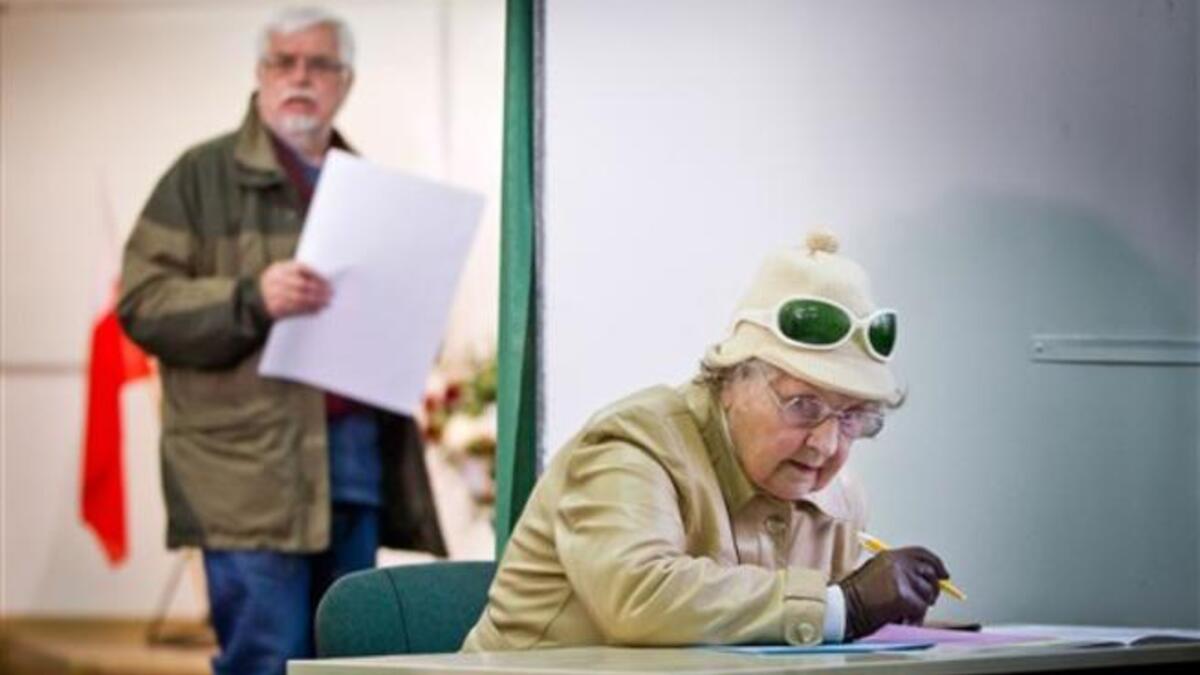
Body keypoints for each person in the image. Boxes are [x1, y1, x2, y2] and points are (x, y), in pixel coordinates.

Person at [118, 6, 445, 673]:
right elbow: (141, 304)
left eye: (320, 64)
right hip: (246, 475)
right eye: (284, 62)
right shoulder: (199, 178)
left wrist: (412, 331)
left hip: (353, 470)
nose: (301, 77)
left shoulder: (372, 190)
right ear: (260, 74)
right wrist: (248, 297)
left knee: (348, 658)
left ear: (346, 82)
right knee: (266, 658)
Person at [462, 231, 950, 650]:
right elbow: (640, 595)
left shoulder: (838, 499)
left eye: (852, 417)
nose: (825, 445)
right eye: (803, 405)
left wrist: (872, 616)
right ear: (733, 381)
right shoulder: (631, 446)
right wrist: (843, 606)